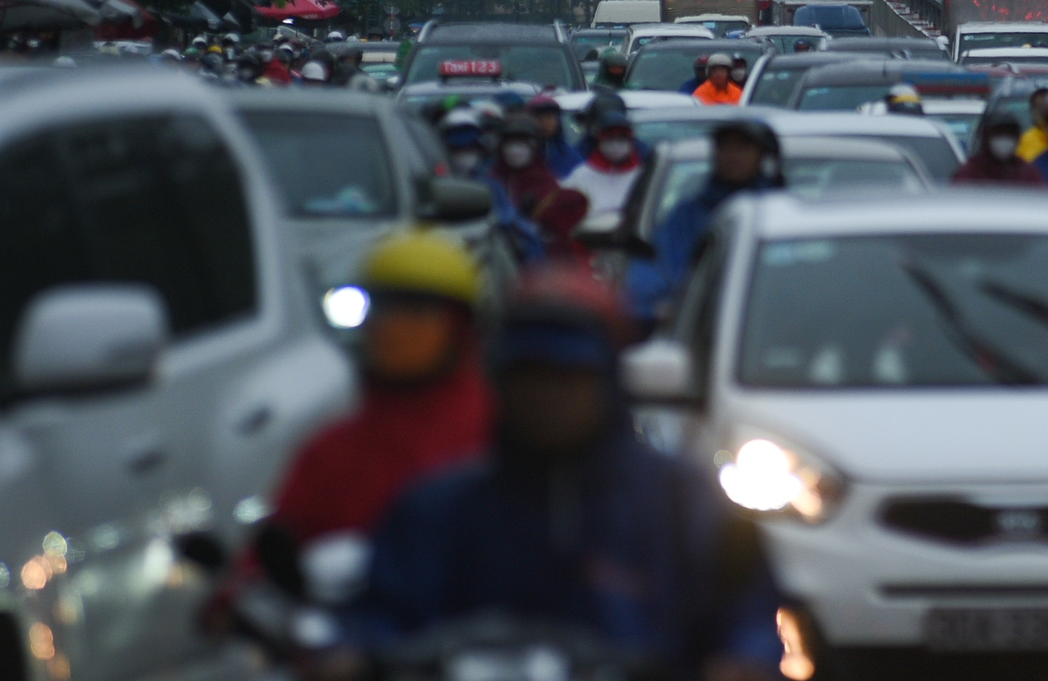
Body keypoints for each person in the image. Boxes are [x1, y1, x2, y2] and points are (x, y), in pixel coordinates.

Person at [360, 267, 783, 679]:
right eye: (527, 376)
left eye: (567, 377)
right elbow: (381, 617)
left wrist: (742, 660)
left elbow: (749, 614)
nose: (545, 396)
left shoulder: (684, 503)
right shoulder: (436, 509)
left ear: (607, 381)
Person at [254, 232, 492, 564]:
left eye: (416, 312)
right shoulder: (332, 453)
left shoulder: (502, 438)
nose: (391, 327)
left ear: (460, 329)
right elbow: (267, 560)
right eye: (381, 308)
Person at [625, 119, 782, 325]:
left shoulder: (780, 213)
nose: (733, 155)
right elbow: (651, 276)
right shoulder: (687, 216)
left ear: (761, 156)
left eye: (743, 147)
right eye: (726, 146)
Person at [490, 117, 588, 252]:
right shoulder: (492, 180)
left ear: (533, 149)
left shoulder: (546, 181)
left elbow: (560, 231)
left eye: (522, 145)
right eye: (510, 145)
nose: (515, 151)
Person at [562, 107, 646, 223]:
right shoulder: (581, 176)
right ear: (599, 141)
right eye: (610, 139)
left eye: (622, 139)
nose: (616, 145)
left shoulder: (642, 176)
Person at [953, 116, 1048, 186]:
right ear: (987, 137)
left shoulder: (1028, 174)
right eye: (998, 134)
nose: (1004, 139)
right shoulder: (970, 173)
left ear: (1017, 138)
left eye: (1009, 135)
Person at [527, 94, 584, 178]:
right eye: (538, 118)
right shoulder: (523, 153)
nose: (544, 123)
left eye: (549, 117)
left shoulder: (568, 155)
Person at [1016, 86, 1048, 162]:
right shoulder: (1023, 141)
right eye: (1038, 106)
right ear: (1032, 110)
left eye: (1047, 106)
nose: (1042, 111)